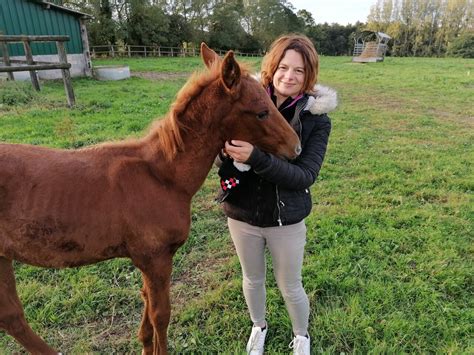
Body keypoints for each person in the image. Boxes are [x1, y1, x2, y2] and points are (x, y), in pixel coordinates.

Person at [216, 34, 337, 355]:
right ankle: (259, 326)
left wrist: (256, 158)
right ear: (272, 67)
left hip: (286, 219)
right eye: (283, 67)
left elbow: (305, 176)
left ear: (309, 75)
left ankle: (301, 335)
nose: (289, 76)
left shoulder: (316, 121)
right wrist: (227, 156)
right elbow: (220, 153)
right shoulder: (246, 103)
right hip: (242, 214)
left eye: (299, 71)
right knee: (252, 279)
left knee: (290, 285)